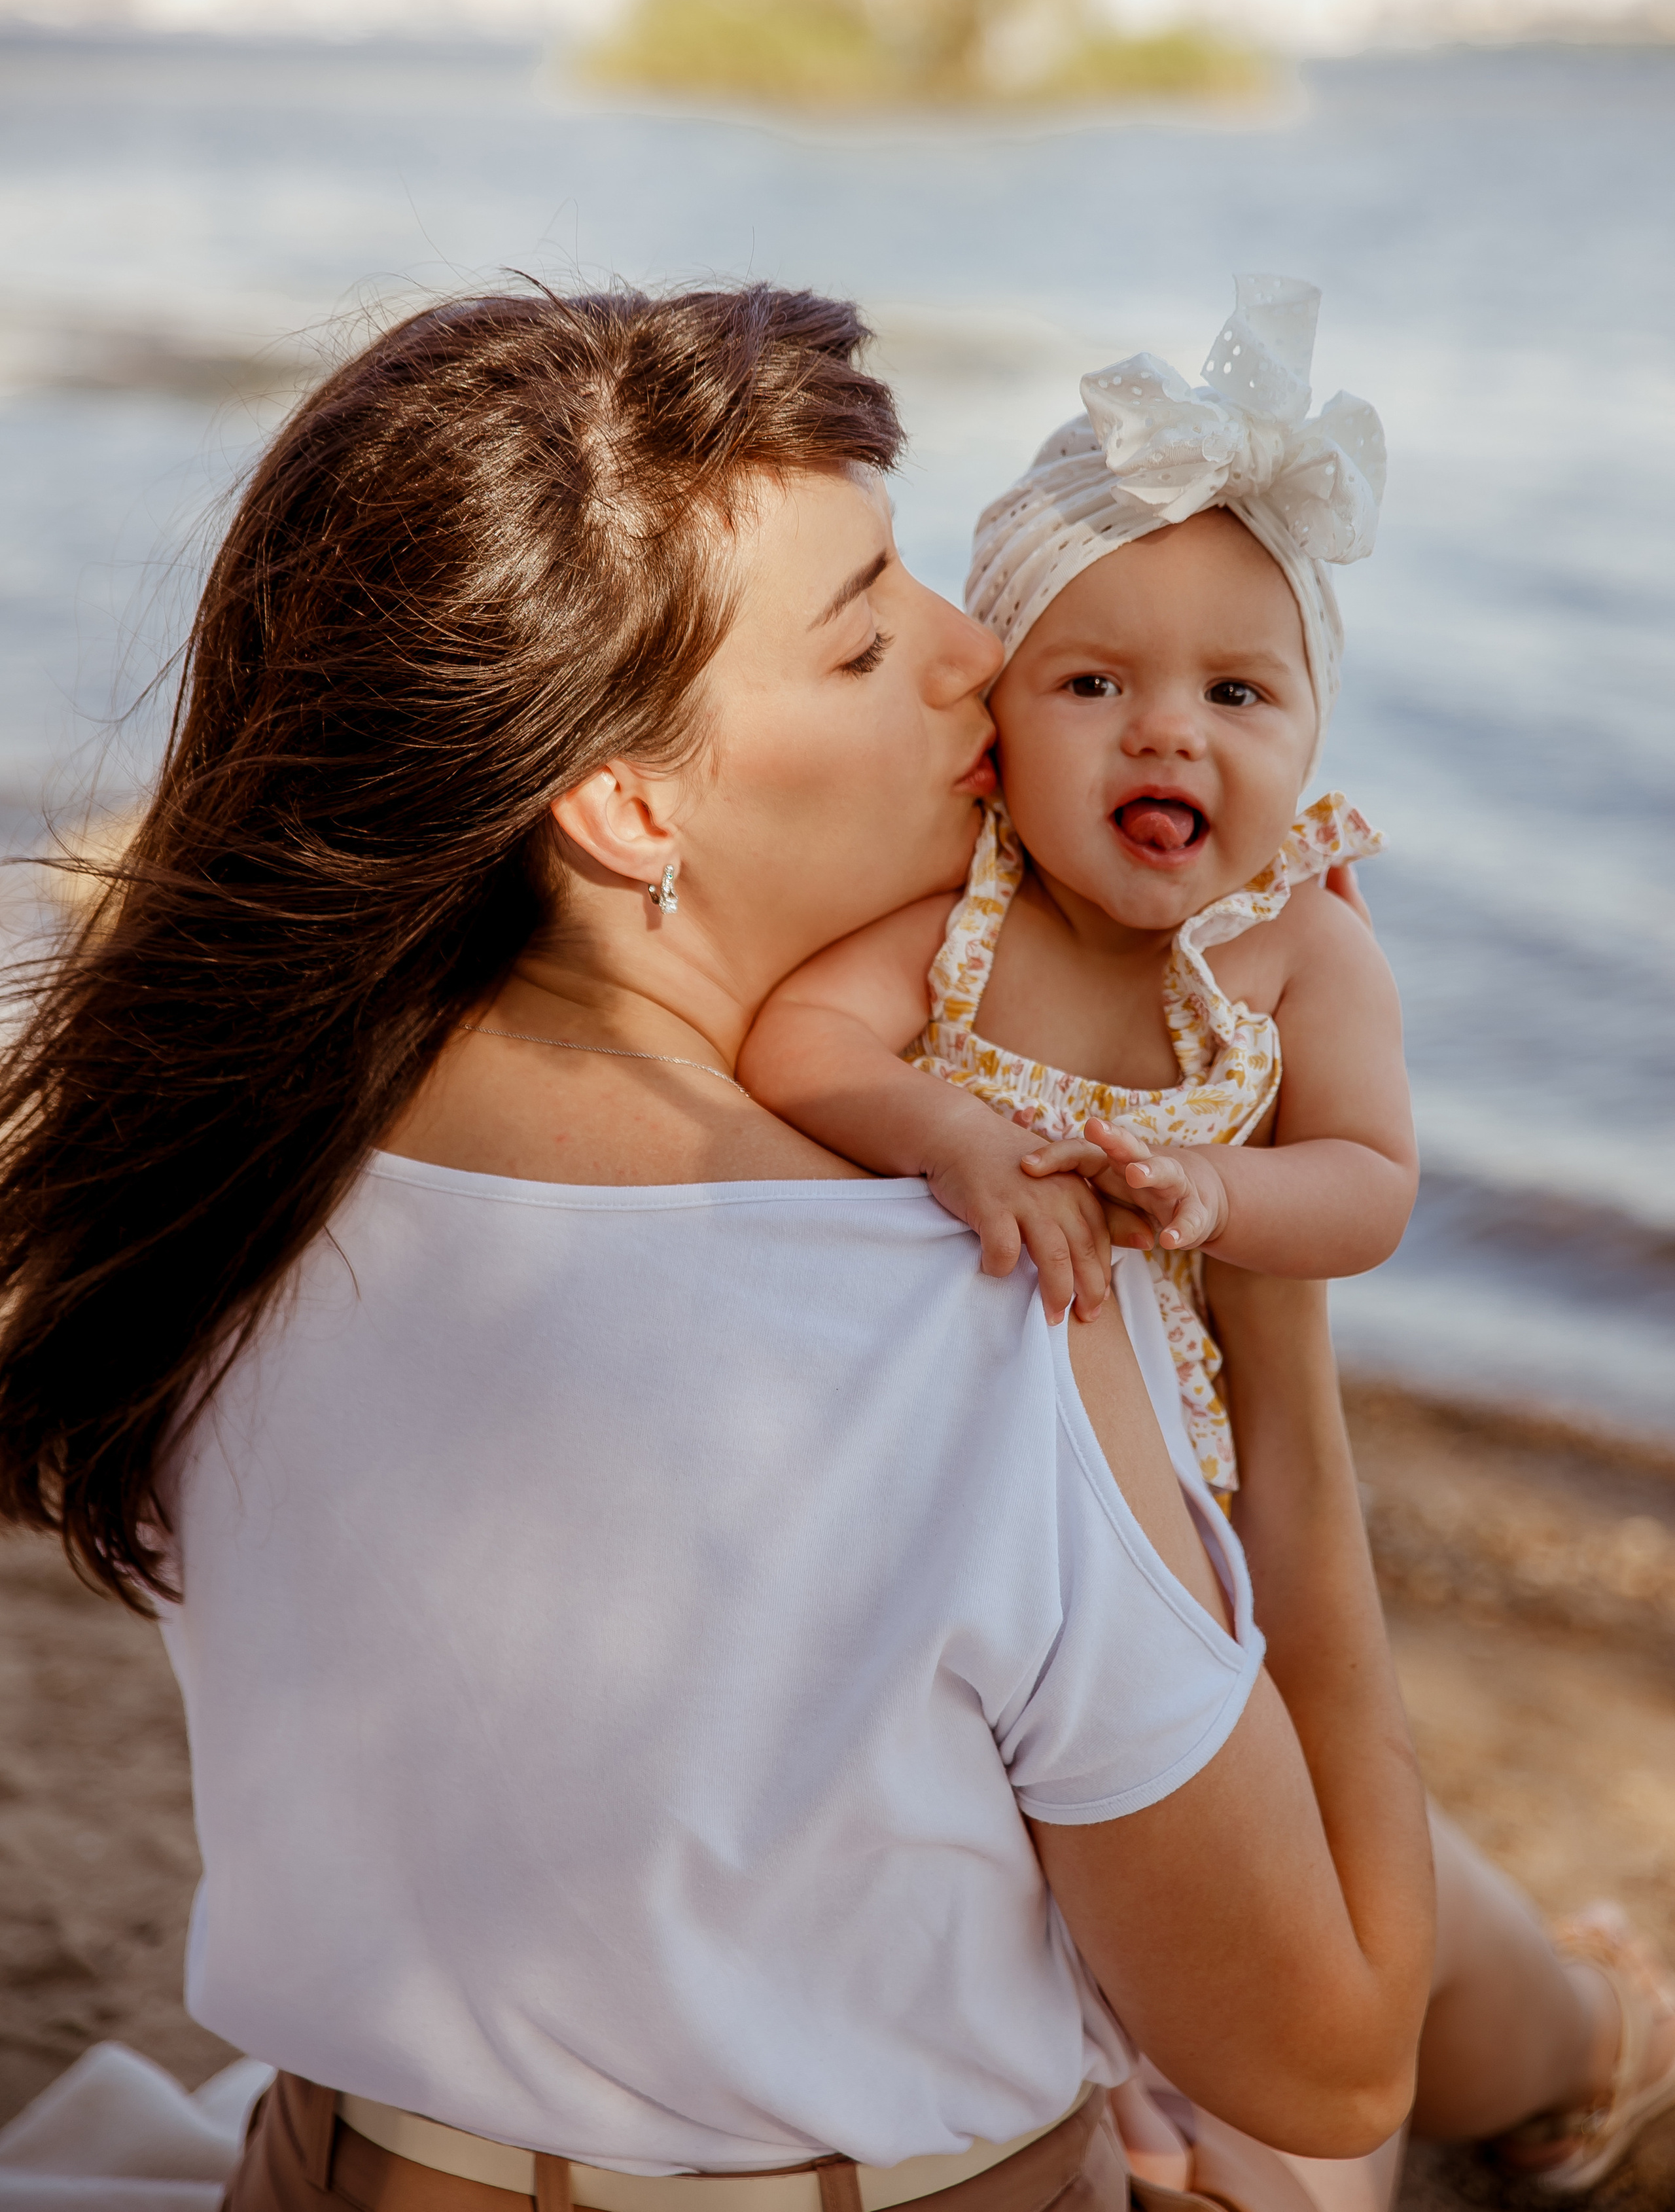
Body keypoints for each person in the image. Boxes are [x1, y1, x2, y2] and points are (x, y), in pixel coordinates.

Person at [0, 287, 1664, 2212]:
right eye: (872, 636)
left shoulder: (232, 1159)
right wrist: (1268, 1323)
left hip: (352, 2171)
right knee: (1344, 1942)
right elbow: (1324, 2058)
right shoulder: (966, 1300)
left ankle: (1597, 2054)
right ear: (627, 808)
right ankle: (1609, 2062)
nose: (982, 657)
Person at [739, 276, 1415, 1501]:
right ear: (997, 724)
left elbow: (1369, 1182)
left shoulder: (1303, 952)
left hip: (1148, 1475)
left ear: (1313, 736)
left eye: (1237, 693)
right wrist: (955, 1138)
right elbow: (802, 1042)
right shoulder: (977, 911)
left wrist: (1219, 1191)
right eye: (1095, 686)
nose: (1168, 734)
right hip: (911, 1424)